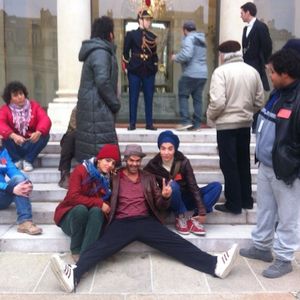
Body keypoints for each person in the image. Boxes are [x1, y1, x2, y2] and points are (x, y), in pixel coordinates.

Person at [50, 144, 239, 293]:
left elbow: (159, 204)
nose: (134, 164)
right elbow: (95, 187)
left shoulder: (148, 177)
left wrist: (165, 197)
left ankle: (215, 265)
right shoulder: (113, 177)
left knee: (177, 243)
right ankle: (73, 275)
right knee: (99, 248)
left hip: (145, 221)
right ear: (125, 160)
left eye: (137, 161)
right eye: (130, 160)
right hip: (121, 222)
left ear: (140, 161)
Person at [240, 47, 300, 278]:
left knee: (287, 217)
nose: (270, 76)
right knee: (265, 209)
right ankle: (262, 246)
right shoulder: (278, 93)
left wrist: (291, 163)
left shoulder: (296, 99)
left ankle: (284, 258)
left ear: (286, 74)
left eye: (273, 72)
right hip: (266, 165)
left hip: (286, 170)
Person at [207, 40, 264, 214]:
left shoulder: (220, 72)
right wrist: (246, 112)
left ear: (223, 54)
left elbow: (217, 102)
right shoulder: (252, 71)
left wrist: (210, 117)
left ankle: (234, 203)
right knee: (243, 162)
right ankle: (246, 200)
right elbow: (260, 101)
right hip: (245, 124)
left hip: (226, 125)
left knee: (229, 164)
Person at [144, 130, 222, 235]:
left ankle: (194, 218)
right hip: (171, 199)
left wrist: (202, 211)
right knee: (172, 185)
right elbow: (143, 180)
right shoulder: (153, 165)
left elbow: (193, 186)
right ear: (159, 149)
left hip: (187, 197)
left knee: (216, 187)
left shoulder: (183, 162)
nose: (166, 152)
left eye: (170, 149)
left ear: (175, 149)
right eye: (163, 148)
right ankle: (181, 216)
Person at [54, 144, 120, 262]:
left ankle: (85, 257)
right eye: (107, 160)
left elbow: (109, 202)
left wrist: (101, 205)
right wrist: (99, 203)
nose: (110, 165)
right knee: (81, 209)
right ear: (99, 159)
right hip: (71, 219)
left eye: (113, 163)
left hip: (91, 222)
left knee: (96, 211)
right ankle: (75, 249)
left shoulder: (109, 178)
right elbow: (72, 197)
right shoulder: (81, 170)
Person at [75, 16, 121, 162]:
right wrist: (115, 103)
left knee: (93, 147)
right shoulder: (101, 52)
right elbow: (102, 81)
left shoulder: (96, 51)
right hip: (98, 109)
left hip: (94, 108)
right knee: (101, 149)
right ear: (110, 34)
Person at [0, 81, 51, 172]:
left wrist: (38, 132)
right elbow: (1, 123)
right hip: (15, 145)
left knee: (45, 135)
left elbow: (45, 119)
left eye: (21, 93)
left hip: (31, 143)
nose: (20, 97)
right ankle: (16, 161)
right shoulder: (5, 109)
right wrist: (13, 135)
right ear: (10, 99)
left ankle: (28, 160)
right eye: (15, 95)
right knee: (4, 136)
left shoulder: (34, 106)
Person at [122, 9, 158, 131]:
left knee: (149, 97)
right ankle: (132, 123)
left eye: (149, 20)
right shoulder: (131, 35)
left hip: (148, 70)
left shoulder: (152, 37)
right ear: (140, 20)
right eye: (146, 19)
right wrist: (127, 68)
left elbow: (154, 55)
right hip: (135, 69)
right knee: (133, 97)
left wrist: (155, 68)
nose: (149, 22)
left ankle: (149, 123)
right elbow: (125, 52)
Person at [0, 135, 42, 235]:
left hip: (2, 196)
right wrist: (10, 189)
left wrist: (26, 182)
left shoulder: (2, 152)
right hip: (4, 189)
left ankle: (25, 222)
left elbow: (12, 170)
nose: (1, 136)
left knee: (20, 180)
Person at [171, 20, 207, 131]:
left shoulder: (189, 38)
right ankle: (196, 125)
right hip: (202, 74)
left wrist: (175, 57)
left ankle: (185, 121)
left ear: (185, 30)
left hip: (190, 73)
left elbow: (187, 55)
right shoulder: (201, 40)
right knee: (197, 99)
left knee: (183, 95)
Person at [240, 2, 272, 91]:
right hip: (246, 64)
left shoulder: (261, 26)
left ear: (248, 12)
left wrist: (266, 62)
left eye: (242, 13)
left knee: (255, 90)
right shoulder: (245, 29)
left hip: (257, 64)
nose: (240, 16)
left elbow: (267, 45)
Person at [58, 105, 77, 189]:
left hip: (90, 141)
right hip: (76, 140)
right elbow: (74, 127)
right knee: (70, 136)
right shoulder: (77, 109)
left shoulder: (100, 109)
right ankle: (64, 172)